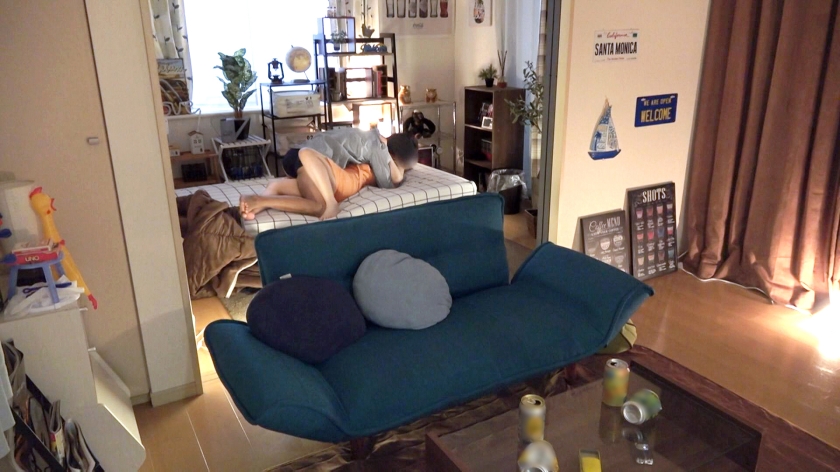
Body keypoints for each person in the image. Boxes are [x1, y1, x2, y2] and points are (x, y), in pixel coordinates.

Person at [239, 129, 418, 221]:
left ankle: (255, 204)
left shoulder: (367, 136)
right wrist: (398, 164)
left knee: (281, 187)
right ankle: (330, 201)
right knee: (320, 206)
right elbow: (389, 181)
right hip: (309, 158)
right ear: (394, 155)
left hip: (297, 158)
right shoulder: (378, 145)